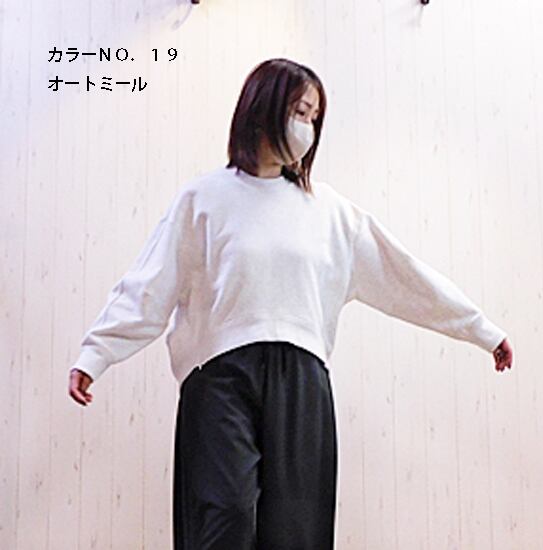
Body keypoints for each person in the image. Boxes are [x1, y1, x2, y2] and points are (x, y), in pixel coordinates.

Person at [68, 58, 513, 549]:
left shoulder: (330, 213)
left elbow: (404, 277)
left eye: (313, 118)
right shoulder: (204, 199)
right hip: (219, 379)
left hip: (302, 381)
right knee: (224, 517)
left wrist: (481, 330)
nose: (307, 127)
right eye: (300, 111)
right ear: (263, 108)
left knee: (295, 530)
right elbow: (150, 283)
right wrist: (97, 353)